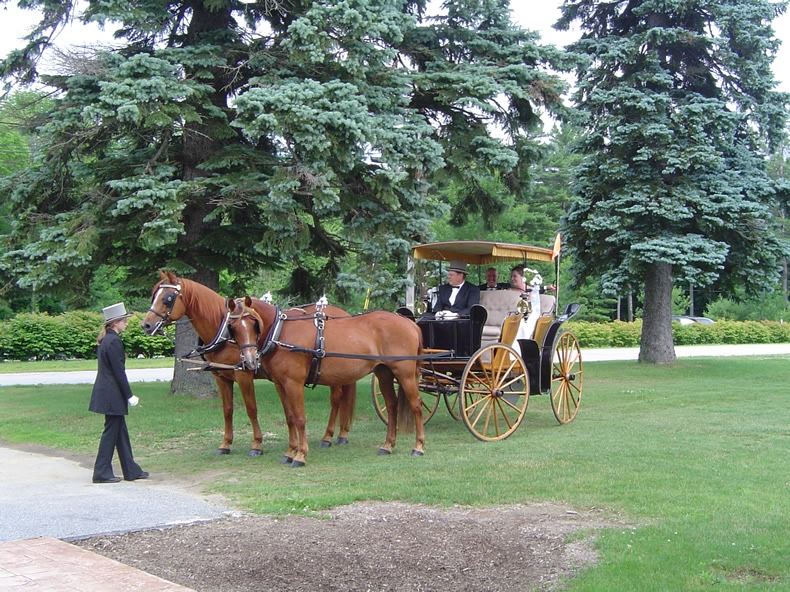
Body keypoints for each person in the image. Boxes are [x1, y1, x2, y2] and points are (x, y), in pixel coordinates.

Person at [89, 302, 149, 484]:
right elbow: (118, 372)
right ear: (115, 323)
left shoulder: (107, 339)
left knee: (120, 432)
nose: (126, 323)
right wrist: (129, 395)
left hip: (108, 392)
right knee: (111, 433)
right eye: (124, 320)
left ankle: (131, 470)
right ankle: (101, 472)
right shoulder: (113, 341)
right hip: (112, 393)